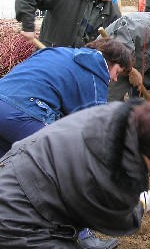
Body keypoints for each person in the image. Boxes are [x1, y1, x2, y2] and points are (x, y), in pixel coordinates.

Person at [0, 100, 150, 247]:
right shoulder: (109, 180)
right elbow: (120, 220)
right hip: (18, 219)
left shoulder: (114, 116)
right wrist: (144, 202)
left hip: (14, 170)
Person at [0, 38, 132, 249]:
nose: (115, 79)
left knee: (8, 176)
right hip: (25, 112)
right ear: (111, 62)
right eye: (119, 71)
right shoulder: (96, 74)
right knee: (66, 170)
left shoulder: (57, 52)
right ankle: (85, 237)